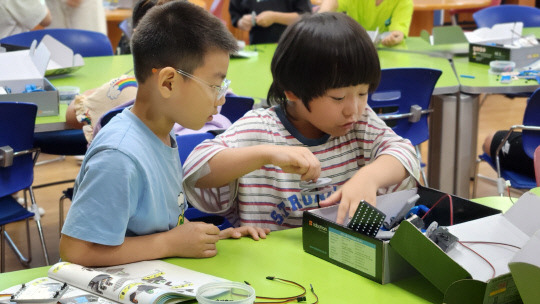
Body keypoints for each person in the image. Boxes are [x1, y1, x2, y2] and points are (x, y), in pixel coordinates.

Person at [59, 1, 269, 267]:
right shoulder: (119, 155)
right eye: (215, 86)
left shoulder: (161, 134)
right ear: (168, 82)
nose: (221, 100)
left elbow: (159, 227)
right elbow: (75, 250)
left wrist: (208, 238)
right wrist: (169, 244)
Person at [182, 12, 420, 230]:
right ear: (292, 92)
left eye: (362, 93)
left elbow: (405, 153)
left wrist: (369, 177)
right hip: (272, 267)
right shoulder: (260, 129)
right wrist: (266, 154)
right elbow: (195, 171)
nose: (353, 110)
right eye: (338, 98)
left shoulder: (360, 124)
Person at [318, 0, 413, 47]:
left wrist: (394, 37)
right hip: (355, 48)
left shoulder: (404, 1)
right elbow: (331, 2)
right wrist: (318, 19)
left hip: (387, 50)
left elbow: (398, 31)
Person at [229, 0, 312, 44]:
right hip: (258, 46)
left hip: (290, 45)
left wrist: (275, 17)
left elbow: (306, 17)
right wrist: (242, 22)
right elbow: (236, 16)